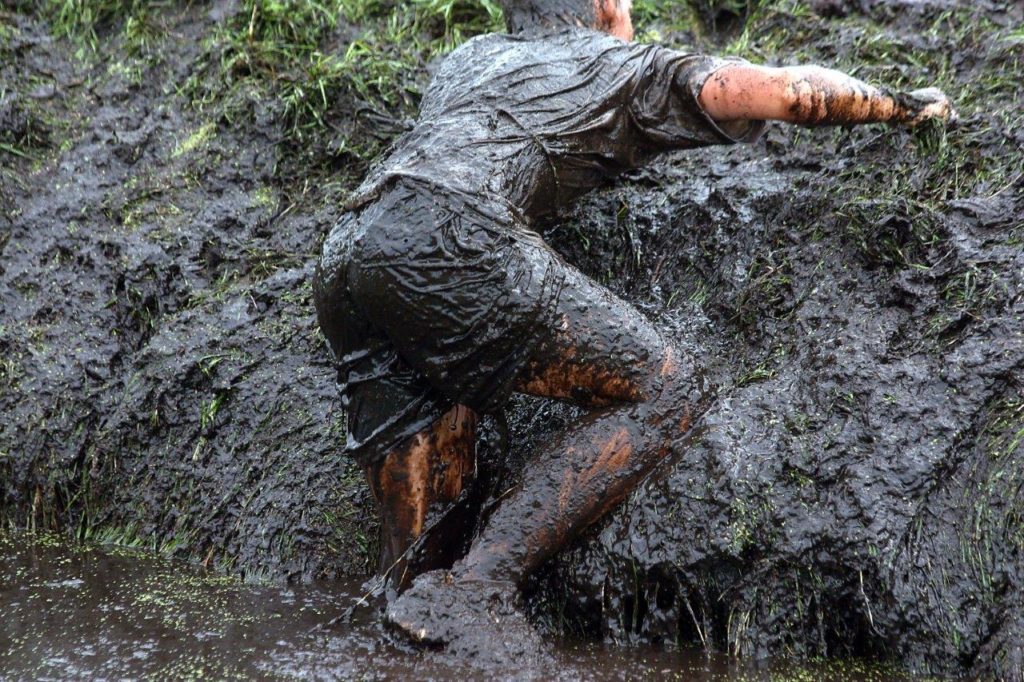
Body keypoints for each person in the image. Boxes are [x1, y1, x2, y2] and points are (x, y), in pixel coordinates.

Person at [313, 0, 954, 645]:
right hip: (452, 238)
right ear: (602, 5)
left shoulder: (466, 60)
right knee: (668, 387)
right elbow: (789, 91)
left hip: (350, 246)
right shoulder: (626, 65)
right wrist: (906, 104)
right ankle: (476, 587)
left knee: (424, 521)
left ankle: (406, 613)